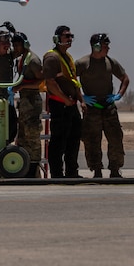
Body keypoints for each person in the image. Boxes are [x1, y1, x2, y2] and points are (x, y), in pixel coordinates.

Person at [78, 32, 130, 179]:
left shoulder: (110, 62)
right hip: (92, 109)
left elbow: (125, 78)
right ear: (96, 46)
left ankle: (115, 169)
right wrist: (81, 97)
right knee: (92, 141)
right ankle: (97, 170)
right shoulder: (83, 63)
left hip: (108, 108)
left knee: (115, 138)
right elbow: (68, 80)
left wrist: (119, 95)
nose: (108, 48)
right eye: (105, 45)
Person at [41, 25, 82, 179]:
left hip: (71, 105)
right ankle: (57, 173)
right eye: (66, 36)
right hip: (60, 105)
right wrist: (65, 99)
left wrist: (81, 101)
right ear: (57, 39)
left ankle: (72, 172)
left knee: (74, 138)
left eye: (71, 36)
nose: (70, 39)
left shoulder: (68, 57)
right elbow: (50, 82)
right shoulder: (52, 57)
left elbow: (74, 81)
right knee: (59, 140)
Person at [12, 32, 48, 175]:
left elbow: (41, 81)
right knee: (22, 137)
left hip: (32, 102)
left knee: (32, 136)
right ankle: (25, 169)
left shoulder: (32, 60)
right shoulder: (22, 59)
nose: (15, 48)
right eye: (14, 45)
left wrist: (22, 87)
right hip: (25, 102)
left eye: (18, 45)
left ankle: (33, 170)